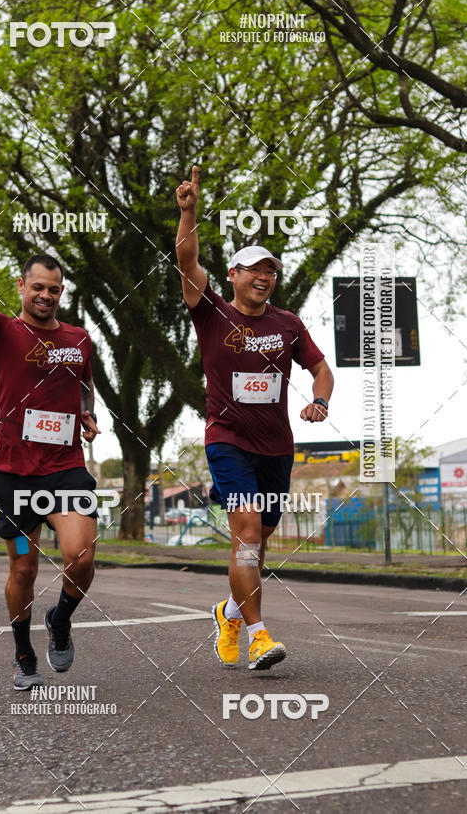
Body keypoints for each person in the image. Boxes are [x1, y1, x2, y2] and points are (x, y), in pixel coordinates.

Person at [175, 166, 334, 671]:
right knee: (244, 530)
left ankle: (228, 612)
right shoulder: (212, 312)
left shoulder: (288, 323)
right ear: (234, 276)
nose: (265, 276)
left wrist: (320, 401)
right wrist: (189, 213)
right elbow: (186, 259)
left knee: (258, 541)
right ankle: (260, 636)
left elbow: (321, 368)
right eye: (254, 269)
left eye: (271, 270)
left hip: (276, 447)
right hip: (227, 440)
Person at [0, 191, 101, 690]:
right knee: (23, 568)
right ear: (21, 287)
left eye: (54, 289)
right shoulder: (0, 331)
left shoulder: (78, 339)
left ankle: (61, 619)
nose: (45, 296)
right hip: (16, 473)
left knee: (81, 555)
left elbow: (84, 384)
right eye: (37, 288)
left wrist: (87, 414)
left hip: (65, 467)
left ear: (61, 292)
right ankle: (24, 650)